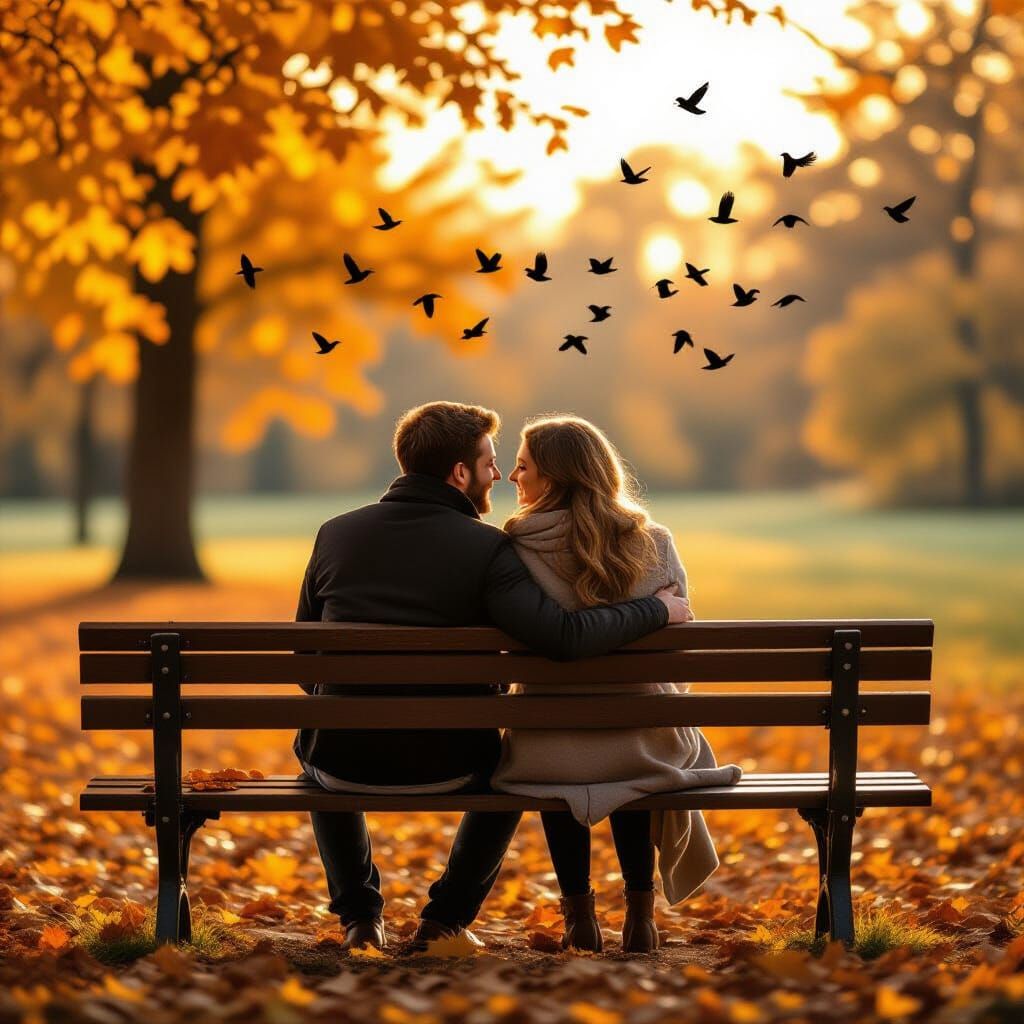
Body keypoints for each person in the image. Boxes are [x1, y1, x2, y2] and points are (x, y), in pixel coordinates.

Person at [293, 401, 693, 952]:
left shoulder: (334, 534)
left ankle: (361, 915)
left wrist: (342, 705)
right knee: (508, 771)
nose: (498, 475)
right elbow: (560, 636)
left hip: (342, 763)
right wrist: (658, 610)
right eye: (488, 463)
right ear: (460, 473)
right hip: (453, 764)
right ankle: (446, 918)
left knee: (321, 751)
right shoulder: (487, 549)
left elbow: (304, 653)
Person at [490, 415, 742, 953]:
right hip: (644, 741)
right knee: (633, 755)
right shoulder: (653, 541)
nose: (513, 475)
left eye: (525, 465)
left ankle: (578, 916)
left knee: (568, 759)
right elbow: (681, 658)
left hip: (544, 745)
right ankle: (641, 915)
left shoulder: (513, 550)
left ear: (553, 479)